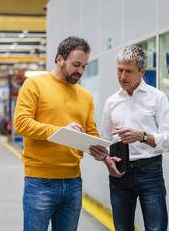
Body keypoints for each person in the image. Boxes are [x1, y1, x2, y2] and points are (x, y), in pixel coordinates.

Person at [14, 36, 102, 231]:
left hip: (73, 183)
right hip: (40, 182)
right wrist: (59, 131)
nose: (80, 71)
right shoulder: (34, 85)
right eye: (76, 64)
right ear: (60, 59)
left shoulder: (86, 96)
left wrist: (103, 153)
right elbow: (20, 124)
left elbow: (90, 132)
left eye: (84, 66)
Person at [90, 46, 169, 231]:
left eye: (128, 71)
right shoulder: (111, 102)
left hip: (150, 172)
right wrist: (106, 161)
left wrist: (142, 136)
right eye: (119, 70)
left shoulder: (157, 98)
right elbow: (105, 141)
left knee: (156, 228)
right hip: (119, 173)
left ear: (142, 72)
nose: (122, 77)